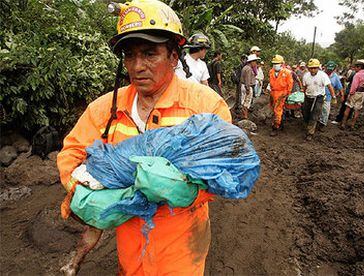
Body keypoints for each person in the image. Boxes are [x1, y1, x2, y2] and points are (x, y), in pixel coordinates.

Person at [56, 0, 231, 274]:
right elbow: (71, 153)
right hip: (129, 237)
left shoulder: (205, 107)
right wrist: (82, 193)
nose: (137, 66)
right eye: (130, 55)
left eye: (150, 54)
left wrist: (191, 192)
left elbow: (226, 169)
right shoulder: (106, 108)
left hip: (182, 241)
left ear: (174, 56)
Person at [302, 58, 335, 140]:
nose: (313, 70)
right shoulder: (306, 76)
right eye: (311, 68)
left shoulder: (323, 76)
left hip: (319, 97)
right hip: (308, 96)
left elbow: (329, 86)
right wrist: (302, 95)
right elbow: (304, 87)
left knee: (315, 114)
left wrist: (333, 96)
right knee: (305, 112)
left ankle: (310, 132)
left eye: (315, 68)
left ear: (318, 68)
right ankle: (308, 124)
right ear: (308, 68)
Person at [340, 59, 364, 129]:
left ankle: (343, 124)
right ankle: (352, 125)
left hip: (355, 93)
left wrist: (350, 94)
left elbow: (354, 86)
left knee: (348, 108)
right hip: (362, 93)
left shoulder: (357, 75)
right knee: (357, 110)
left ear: (359, 67)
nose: (354, 69)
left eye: (356, 67)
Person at [267, 54, 293, 135]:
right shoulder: (271, 71)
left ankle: (275, 127)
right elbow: (271, 82)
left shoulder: (287, 73)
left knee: (277, 110)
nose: (275, 65)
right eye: (274, 63)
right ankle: (281, 123)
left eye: (277, 63)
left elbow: (290, 84)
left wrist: (287, 93)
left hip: (282, 93)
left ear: (281, 64)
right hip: (273, 92)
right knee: (274, 109)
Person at [318, 61, 343, 129]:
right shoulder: (320, 74)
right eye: (328, 69)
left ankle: (323, 123)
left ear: (334, 69)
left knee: (325, 110)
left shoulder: (335, 77)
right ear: (325, 67)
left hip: (328, 96)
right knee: (317, 109)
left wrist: (342, 95)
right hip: (318, 94)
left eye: (331, 69)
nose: (329, 70)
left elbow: (339, 86)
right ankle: (317, 120)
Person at [240, 54, 260, 119]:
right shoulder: (248, 69)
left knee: (243, 101)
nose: (256, 63)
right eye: (255, 62)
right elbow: (247, 80)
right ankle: (245, 116)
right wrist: (248, 89)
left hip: (243, 86)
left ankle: (244, 115)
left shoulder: (245, 67)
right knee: (247, 102)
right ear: (252, 61)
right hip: (247, 86)